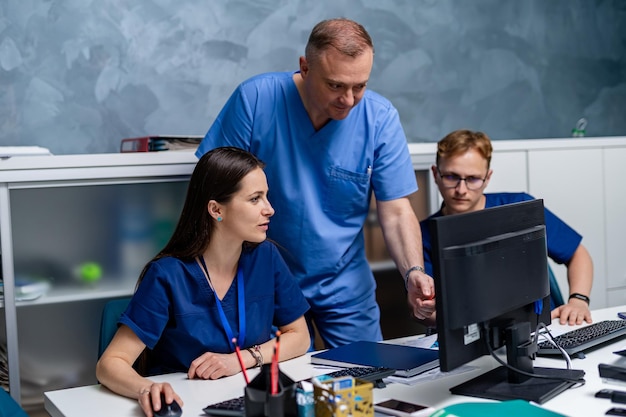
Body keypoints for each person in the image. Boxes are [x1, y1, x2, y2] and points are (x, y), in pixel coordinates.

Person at [195, 18, 436, 347]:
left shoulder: (379, 118)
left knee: (365, 383)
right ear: (305, 68)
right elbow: (213, 192)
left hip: (343, 281)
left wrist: (413, 273)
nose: (349, 100)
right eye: (336, 85)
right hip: (261, 276)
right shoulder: (256, 100)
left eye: (360, 86)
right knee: (275, 388)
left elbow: (395, 210)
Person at [96, 147, 310, 417]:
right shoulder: (168, 275)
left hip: (247, 400)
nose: (270, 209)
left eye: (266, 197)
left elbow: (300, 337)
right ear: (216, 209)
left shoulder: (266, 256)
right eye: (255, 199)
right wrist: (145, 389)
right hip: (189, 405)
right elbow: (111, 363)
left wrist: (239, 360)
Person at [420, 129, 593, 326]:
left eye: (473, 179)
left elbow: (577, 254)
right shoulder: (423, 235)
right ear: (435, 174)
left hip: (543, 330)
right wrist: (428, 313)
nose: (461, 190)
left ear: (488, 177)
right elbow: (427, 309)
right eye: (451, 176)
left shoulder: (521, 207)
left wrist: (579, 300)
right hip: (471, 338)